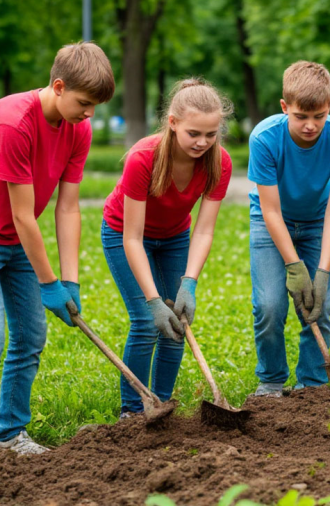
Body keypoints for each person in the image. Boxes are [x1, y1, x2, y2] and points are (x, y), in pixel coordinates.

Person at [0, 42, 115, 464]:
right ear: (58, 86)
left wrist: (69, 279)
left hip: (19, 236)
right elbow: (23, 216)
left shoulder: (79, 129)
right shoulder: (12, 122)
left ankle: (11, 434)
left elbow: (68, 206)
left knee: (31, 336)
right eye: (84, 103)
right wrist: (48, 282)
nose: (90, 114)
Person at [101, 79, 233, 417]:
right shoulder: (143, 158)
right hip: (125, 234)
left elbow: (204, 229)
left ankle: (160, 406)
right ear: (172, 123)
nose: (202, 142)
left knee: (178, 323)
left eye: (211, 134)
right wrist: (154, 300)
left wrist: (189, 282)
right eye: (194, 133)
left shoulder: (220, 163)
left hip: (174, 236)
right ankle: (132, 411)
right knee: (148, 321)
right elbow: (132, 238)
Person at [248, 61, 330, 396]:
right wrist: (294, 266)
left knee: (319, 305)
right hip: (271, 223)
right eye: (300, 116)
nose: (310, 125)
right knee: (269, 306)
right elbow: (270, 210)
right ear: (285, 108)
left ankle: (312, 383)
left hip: (318, 222)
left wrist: (321, 271)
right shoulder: (265, 138)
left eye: (319, 116)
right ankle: (270, 380)